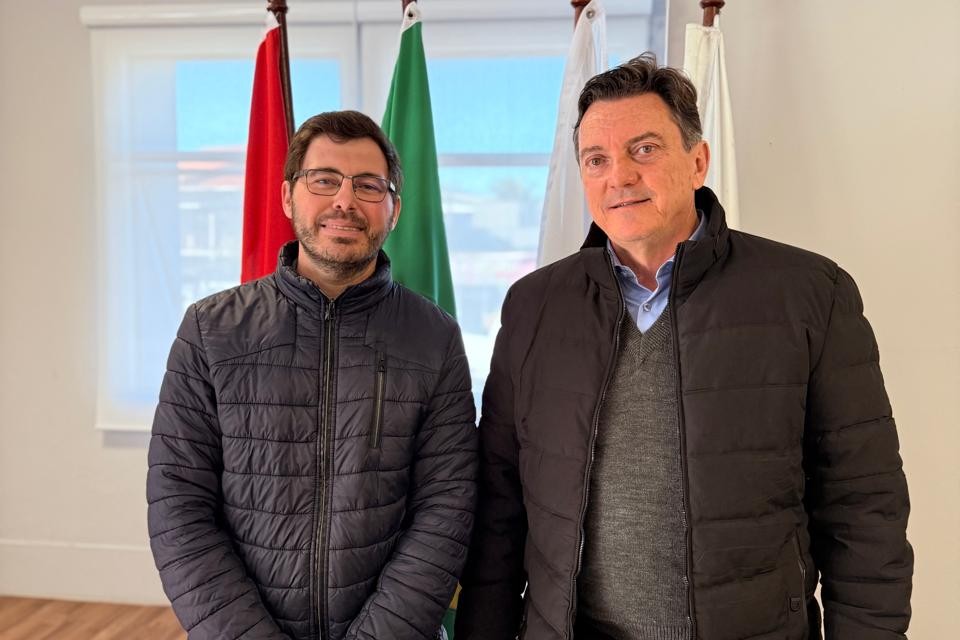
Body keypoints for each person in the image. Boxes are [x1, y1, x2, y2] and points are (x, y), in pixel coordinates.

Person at [455, 54, 912, 640]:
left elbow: (863, 508)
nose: (619, 176)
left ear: (698, 161)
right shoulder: (533, 307)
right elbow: (499, 511)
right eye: (597, 159)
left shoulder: (810, 294)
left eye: (644, 149)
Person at [148, 110, 478, 640]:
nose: (345, 201)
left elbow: (447, 506)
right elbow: (177, 506)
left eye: (368, 185)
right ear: (287, 196)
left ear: (394, 209)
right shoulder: (210, 331)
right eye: (324, 180)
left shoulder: (435, 337)